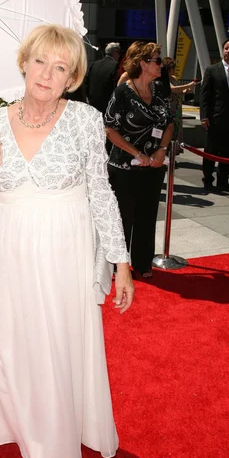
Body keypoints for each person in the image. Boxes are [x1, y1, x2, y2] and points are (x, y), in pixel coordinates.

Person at [0, 25, 134, 458]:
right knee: (2, 336)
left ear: (72, 77)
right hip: (8, 245)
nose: (47, 75)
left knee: (54, 339)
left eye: (60, 67)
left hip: (64, 249)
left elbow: (101, 194)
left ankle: (56, 429)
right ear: (24, 63)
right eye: (40, 62)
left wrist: (122, 262)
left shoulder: (86, 120)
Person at [105, 40, 174, 279]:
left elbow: (170, 122)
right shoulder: (123, 92)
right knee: (123, 218)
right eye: (156, 60)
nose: (161, 64)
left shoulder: (159, 90)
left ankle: (143, 264)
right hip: (124, 167)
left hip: (154, 167)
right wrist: (137, 154)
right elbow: (110, 129)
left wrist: (162, 150)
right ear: (143, 63)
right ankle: (117, 265)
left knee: (147, 216)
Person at [200, 38, 229, 192]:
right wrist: (204, 116)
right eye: (226, 48)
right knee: (210, 151)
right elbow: (205, 96)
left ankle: (223, 181)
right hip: (214, 120)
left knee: (228, 153)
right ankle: (208, 180)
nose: (228, 51)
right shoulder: (212, 70)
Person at [162, 57, 196, 155]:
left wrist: (185, 90)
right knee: (169, 131)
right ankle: (166, 154)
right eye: (171, 68)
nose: (173, 70)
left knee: (176, 131)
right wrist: (187, 86)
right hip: (169, 107)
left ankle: (173, 153)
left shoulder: (173, 78)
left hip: (177, 108)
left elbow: (179, 90)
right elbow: (173, 89)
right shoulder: (164, 79)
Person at [86, 42, 120, 114]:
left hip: (92, 103)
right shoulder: (115, 66)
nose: (119, 55)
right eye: (119, 52)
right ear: (115, 52)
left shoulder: (94, 64)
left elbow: (87, 82)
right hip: (107, 105)